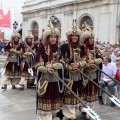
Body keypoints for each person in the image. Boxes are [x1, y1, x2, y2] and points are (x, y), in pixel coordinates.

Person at [35, 21, 64, 120]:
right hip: (45, 80)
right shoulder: (41, 49)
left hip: (55, 80)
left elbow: (63, 62)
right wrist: (46, 68)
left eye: (55, 37)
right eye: (51, 37)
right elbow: (37, 64)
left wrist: (54, 66)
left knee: (54, 102)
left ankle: (52, 117)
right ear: (47, 38)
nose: (53, 39)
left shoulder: (59, 49)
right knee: (45, 102)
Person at [60, 19, 87, 120]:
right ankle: (70, 116)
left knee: (78, 94)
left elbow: (85, 60)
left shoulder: (82, 47)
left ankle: (79, 111)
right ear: (70, 37)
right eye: (73, 36)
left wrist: (79, 64)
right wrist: (68, 66)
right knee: (68, 95)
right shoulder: (64, 46)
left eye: (76, 36)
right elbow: (61, 60)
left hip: (79, 75)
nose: (75, 37)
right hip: (68, 75)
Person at [80, 23, 102, 119]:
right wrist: (87, 64)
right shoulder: (82, 49)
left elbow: (101, 59)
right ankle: (85, 110)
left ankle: (90, 110)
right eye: (90, 38)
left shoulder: (96, 49)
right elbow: (79, 61)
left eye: (93, 38)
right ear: (86, 39)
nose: (92, 40)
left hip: (94, 75)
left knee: (92, 94)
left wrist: (94, 61)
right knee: (85, 94)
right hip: (85, 75)